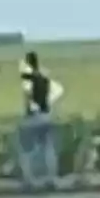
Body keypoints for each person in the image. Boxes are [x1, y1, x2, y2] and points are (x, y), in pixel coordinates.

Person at [17, 52, 65, 191]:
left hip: (33, 117)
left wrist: (33, 106)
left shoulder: (27, 80)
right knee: (48, 148)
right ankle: (51, 178)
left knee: (26, 149)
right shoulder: (44, 77)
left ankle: (29, 179)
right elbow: (59, 89)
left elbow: (27, 95)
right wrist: (47, 102)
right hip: (46, 115)